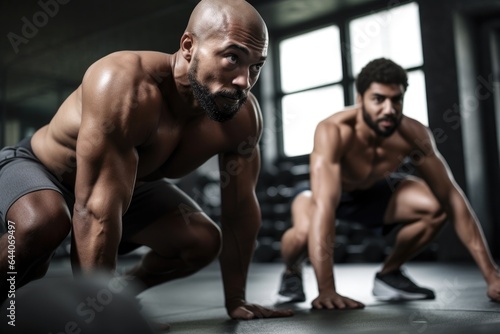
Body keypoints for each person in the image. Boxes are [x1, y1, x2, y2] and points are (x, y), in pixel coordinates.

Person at [0, 0, 293, 322]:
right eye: (232, 58)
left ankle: (117, 295)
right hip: (39, 168)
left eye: (255, 66)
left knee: (201, 241)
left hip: (124, 185)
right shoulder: (124, 84)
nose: (243, 81)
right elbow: (96, 211)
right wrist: (103, 321)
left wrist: (237, 300)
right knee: (42, 227)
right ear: (188, 46)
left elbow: (240, 211)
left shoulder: (241, 117)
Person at [277, 58, 500, 309]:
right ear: (360, 98)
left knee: (437, 205)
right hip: (324, 193)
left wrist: (492, 275)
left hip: (375, 192)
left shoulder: (413, 134)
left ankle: (389, 273)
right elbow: (325, 205)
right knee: (303, 232)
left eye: (396, 99)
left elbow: (451, 197)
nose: (389, 109)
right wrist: (327, 290)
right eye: (379, 99)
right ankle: (291, 271)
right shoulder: (334, 130)